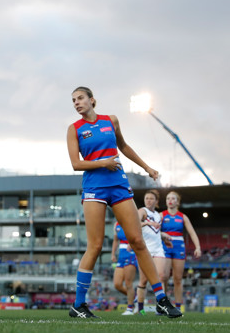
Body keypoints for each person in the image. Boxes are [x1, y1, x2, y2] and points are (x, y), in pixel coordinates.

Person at [66, 86, 181, 319]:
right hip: (94, 188)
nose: (76, 103)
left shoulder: (111, 121)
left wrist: (146, 167)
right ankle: (79, 304)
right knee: (95, 246)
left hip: (118, 185)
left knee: (138, 241)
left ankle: (161, 299)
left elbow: (124, 147)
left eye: (80, 98)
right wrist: (102, 163)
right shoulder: (74, 129)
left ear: (92, 100)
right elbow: (76, 164)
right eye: (73, 100)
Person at [161, 191, 201, 309]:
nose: (170, 200)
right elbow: (154, 229)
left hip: (179, 248)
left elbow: (192, 233)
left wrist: (197, 247)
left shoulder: (183, 217)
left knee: (178, 279)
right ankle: (164, 304)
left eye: (173, 198)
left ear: (177, 202)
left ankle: (178, 307)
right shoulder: (161, 215)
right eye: (168, 198)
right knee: (164, 277)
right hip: (165, 247)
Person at [136, 189, 170, 315]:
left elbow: (154, 232)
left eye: (151, 198)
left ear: (156, 201)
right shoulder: (142, 211)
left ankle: (160, 307)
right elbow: (136, 224)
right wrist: (148, 222)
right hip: (145, 250)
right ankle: (140, 309)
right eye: (146, 198)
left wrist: (164, 236)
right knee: (143, 280)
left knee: (161, 276)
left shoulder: (158, 215)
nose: (148, 200)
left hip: (158, 248)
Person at [111, 222, 137, 315]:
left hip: (131, 253)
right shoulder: (116, 224)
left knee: (128, 282)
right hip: (121, 254)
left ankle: (130, 308)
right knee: (117, 284)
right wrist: (113, 253)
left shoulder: (131, 221)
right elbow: (115, 240)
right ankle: (136, 299)